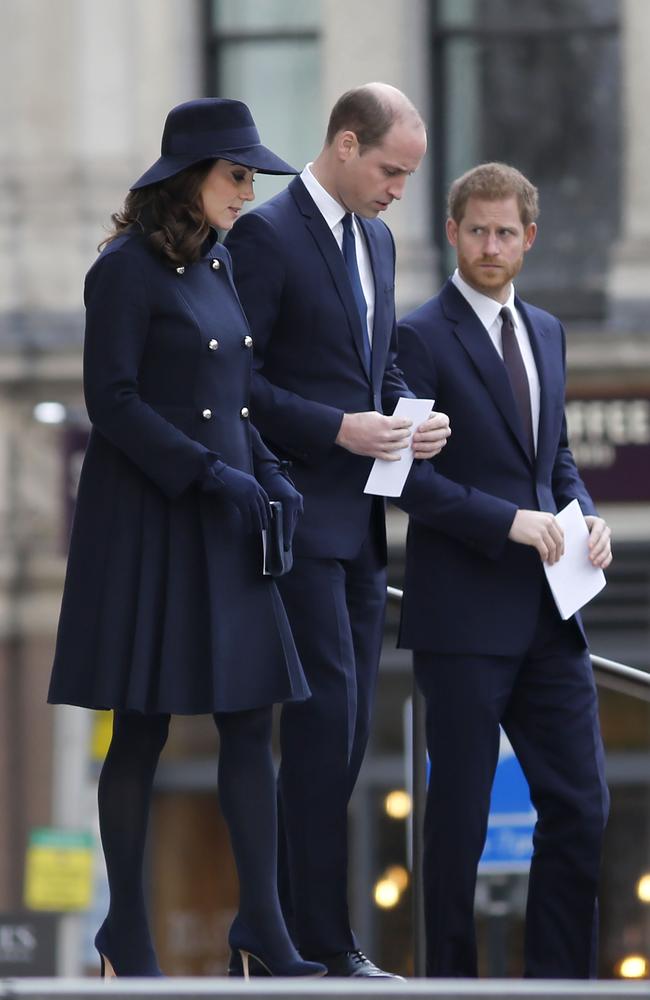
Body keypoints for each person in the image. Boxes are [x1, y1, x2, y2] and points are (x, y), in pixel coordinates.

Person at [47, 98, 327, 980]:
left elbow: (238, 399)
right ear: (190, 177)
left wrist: (272, 477)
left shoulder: (221, 266)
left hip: (227, 516)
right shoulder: (122, 272)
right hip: (151, 522)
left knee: (252, 724)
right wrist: (214, 476)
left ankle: (264, 928)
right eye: (236, 174)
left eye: (250, 177)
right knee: (142, 729)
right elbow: (114, 402)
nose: (248, 191)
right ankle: (124, 932)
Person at [224, 83, 450, 978]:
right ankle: (312, 942)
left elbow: (378, 359)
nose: (400, 189)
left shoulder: (380, 239)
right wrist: (337, 427)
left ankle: (288, 935)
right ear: (346, 145)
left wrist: (404, 412)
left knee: (348, 735)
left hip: (361, 528)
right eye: (392, 170)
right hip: (297, 516)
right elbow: (238, 385)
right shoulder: (265, 237)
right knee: (321, 730)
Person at [396, 162, 612, 978]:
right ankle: (451, 985)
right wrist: (507, 521)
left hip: (554, 616)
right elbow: (409, 480)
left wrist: (583, 514)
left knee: (583, 806)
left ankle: (558, 986)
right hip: (462, 616)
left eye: (506, 232)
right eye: (477, 230)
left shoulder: (549, 331)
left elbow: (552, 459)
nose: (491, 245)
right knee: (458, 819)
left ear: (530, 237)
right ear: (452, 233)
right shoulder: (418, 336)